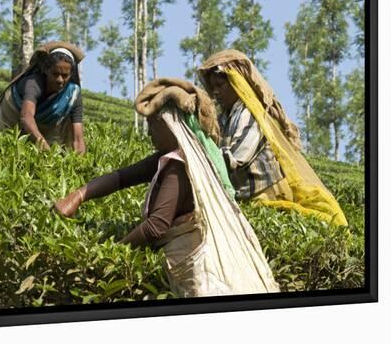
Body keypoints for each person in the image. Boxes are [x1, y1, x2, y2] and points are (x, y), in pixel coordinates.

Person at [55, 78, 279, 298]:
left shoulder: (178, 165)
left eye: (152, 125)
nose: (149, 133)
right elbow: (121, 177)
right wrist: (78, 195)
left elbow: (156, 227)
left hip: (198, 276)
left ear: (168, 123)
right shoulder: (179, 157)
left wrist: (109, 253)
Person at [197, 49, 347, 226]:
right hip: (247, 199)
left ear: (236, 82)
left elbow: (237, 158)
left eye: (220, 86)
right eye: (212, 87)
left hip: (268, 195)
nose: (215, 92)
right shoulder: (225, 118)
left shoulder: (250, 115)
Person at [0, 41, 86, 154]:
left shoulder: (73, 94)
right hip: (9, 118)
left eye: (65, 75)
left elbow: (78, 139)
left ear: (71, 74)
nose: (59, 80)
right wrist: (46, 149)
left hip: (44, 129)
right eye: (55, 74)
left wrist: (80, 162)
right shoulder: (33, 83)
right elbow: (26, 117)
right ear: (46, 70)